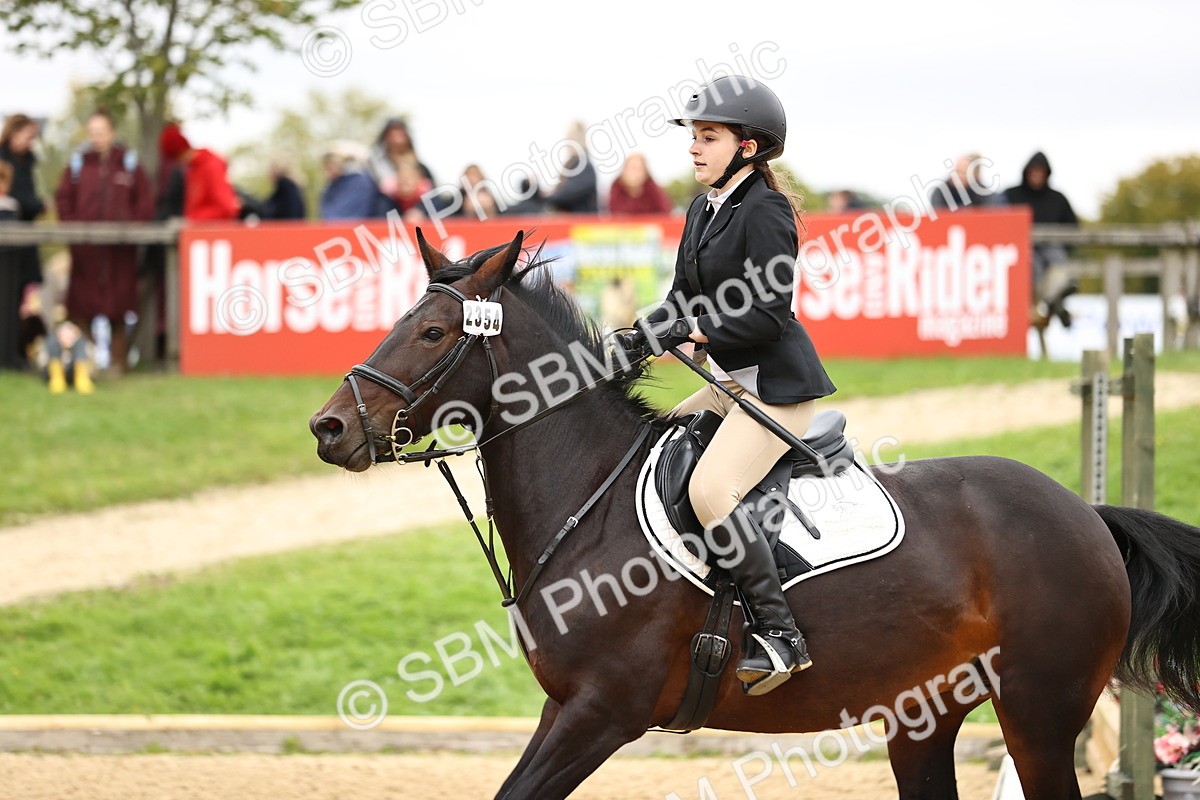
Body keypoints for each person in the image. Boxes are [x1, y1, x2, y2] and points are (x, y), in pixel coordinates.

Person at [621, 77, 836, 696]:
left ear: (747, 148)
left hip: (776, 389)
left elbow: (767, 313)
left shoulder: (766, 211)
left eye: (708, 137)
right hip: (729, 382)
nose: (694, 148)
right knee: (658, 444)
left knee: (712, 489)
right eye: (694, 135)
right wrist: (636, 339)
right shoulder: (702, 208)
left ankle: (781, 635)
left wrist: (690, 328)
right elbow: (680, 301)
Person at [54, 109, 154, 376]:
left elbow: (144, 203)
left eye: (101, 132)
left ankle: (117, 362)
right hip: (85, 250)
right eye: (92, 132)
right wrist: (74, 227)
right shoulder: (78, 164)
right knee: (82, 306)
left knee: (118, 308)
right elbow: (63, 199)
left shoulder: (129, 164)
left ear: (112, 132)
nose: (96, 137)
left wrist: (130, 229)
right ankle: (87, 360)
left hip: (120, 251)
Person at [1003, 152, 1080, 327]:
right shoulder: (1011, 195)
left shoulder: (1058, 199)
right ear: (1027, 173)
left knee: (1056, 257)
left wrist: (1064, 245)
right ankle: (1054, 303)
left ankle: (1053, 300)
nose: (1037, 176)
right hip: (1023, 252)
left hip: (1052, 249)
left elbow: (1074, 229)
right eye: (1034, 171)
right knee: (1030, 264)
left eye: (1041, 172)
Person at [0, 114, 47, 367]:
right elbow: (20, 197)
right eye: (27, 136)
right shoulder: (5, 161)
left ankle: (16, 353)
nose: (30, 142)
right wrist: (37, 205)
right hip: (8, 242)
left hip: (25, 241)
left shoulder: (27, 162)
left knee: (23, 300)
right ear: (13, 133)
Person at [157, 123, 240, 221]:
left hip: (213, 233)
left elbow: (226, 208)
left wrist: (192, 219)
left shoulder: (211, 166)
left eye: (175, 158)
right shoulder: (192, 170)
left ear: (180, 153)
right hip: (198, 232)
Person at [367, 117, 434, 200]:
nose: (397, 138)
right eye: (392, 133)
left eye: (400, 133)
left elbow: (433, 195)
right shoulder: (374, 164)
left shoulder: (421, 168)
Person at [319, 145, 387, 220]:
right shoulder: (330, 187)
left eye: (333, 164)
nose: (329, 170)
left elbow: (356, 213)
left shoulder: (360, 182)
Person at [544, 121, 599, 213]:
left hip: (580, 222)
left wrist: (546, 196)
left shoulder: (583, 167)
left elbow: (565, 194)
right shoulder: (576, 165)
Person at [608, 153, 673, 215]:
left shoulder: (653, 189)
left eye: (638, 169)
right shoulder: (617, 188)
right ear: (624, 171)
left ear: (645, 172)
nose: (634, 173)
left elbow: (665, 212)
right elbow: (615, 212)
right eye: (631, 168)